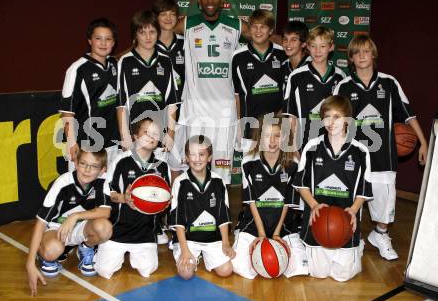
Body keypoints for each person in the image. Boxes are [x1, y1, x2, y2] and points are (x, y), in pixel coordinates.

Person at [333, 35, 428, 260]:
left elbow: (408, 115)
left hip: (383, 156)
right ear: (351, 59)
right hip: (353, 156)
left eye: (366, 51)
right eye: (357, 53)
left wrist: (423, 142)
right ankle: (352, 237)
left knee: (385, 202)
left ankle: (380, 234)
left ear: (373, 55)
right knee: (352, 200)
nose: (362, 56)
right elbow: (335, 121)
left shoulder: (389, 82)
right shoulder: (343, 86)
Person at [172, 0, 251, 184]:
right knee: (195, 164)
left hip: (224, 110)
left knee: (222, 168)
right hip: (196, 110)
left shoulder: (235, 25)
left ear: (222, 0)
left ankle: (220, 211)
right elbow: (158, 34)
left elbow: (263, 37)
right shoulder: (187, 24)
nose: (210, 0)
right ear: (199, 0)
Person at [293, 95, 373, 282]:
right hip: (318, 218)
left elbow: (364, 189)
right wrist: (313, 205)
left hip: (347, 220)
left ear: (347, 119)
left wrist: (353, 210)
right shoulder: (312, 147)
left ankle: (357, 246)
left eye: (337, 116)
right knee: (318, 274)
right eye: (327, 117)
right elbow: (301, 184)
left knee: (341, 276)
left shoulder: (361, 150)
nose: (331, 122)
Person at [26, 149, 112, 296]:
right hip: (56, 228)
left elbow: (106, 212)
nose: (87, 170)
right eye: (83, 163)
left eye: (94, 166)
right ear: (76, 163)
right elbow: (40, 222)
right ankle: (46, 255)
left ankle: (86, 248)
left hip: (80, 226)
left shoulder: (102, 182)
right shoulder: (63, 183)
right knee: (52, 250)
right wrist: (29, 263)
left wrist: (75, 216)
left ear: (103, 170)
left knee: (105, 227)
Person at [231, 115, 308, 279]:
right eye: (267, 136)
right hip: (254, 223)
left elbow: (288, 203)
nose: (272, 141)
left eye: (277, 135)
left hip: (283, 224)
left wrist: (276, 235)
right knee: (240, 267)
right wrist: (260, 234)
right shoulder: (248, 162)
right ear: (259, 138)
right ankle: (241, 235)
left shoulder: (293, 163)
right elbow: (251, 203)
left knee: (300, 268)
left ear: (285, 137)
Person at [94, 117, 171, 279]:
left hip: (145, 233)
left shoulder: (162, 165)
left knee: (148, 270)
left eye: (156, 133)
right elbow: (107, 195)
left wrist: (165, 204)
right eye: (146, 132)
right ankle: (98, 248)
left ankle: (145, 246)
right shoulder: (121, 161)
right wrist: (124, 198)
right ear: (135, 136)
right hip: (118, 230)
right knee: (104, 271)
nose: (152, 137)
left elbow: (166, 199)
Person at [170, 135, 235, 280]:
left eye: (201, 154)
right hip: (188, 239)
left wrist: (225, 243)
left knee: (226, 270)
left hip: (212, 238)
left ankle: (206, 257)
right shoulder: (180, 183)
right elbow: (178, 220)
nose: (197, 159)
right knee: (186, 273)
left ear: (209, 157)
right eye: (192, 155)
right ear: (186, 158)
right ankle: (191, 255)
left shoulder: (218, 181)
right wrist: (185, 250)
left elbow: (223, 216)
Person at [60, 18, 120, 170]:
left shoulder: (115, 65)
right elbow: (67, 113)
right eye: (98, 38)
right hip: (86, 145)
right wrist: (72, 143)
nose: (103, 43)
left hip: (112, 145)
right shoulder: (77, 69)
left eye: (108, 39)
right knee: (82, 191)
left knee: (108, 190)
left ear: (113, 43)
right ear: (89, 41)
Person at [116, 9, 179, 152]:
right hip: (135, 136)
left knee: (158, 174)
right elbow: (121, 105)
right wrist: (125, 135)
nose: (148, 37)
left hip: (159, 136)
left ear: (158, 32)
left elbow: (171, 102)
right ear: (135, 34)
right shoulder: (126, 62)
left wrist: (171, 133)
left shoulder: (166, 61)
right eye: (142, 32)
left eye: (152, 31)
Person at [283, 26, 346, 152]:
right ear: (307, 47)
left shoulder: (340, 77)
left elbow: (344, 116)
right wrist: (294, 150)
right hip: (304, 145)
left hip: (333, 145)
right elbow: (290, 116)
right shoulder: (296, 76)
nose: (318, 51)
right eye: (313, 46)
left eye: (322, 46)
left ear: (331, 47)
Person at [232, 9, 287, 151]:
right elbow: (236, 96)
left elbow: (288, 93)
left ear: (271, 30)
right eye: (254, 26)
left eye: (263, 26)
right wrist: (238, 125)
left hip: (277, 129)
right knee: (250, 170)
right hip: (249, 127)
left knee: (274, 171)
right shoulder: (238, 57)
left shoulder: (282, 54)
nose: (258, 31)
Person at [152, 0, 185, 98]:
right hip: (158, 105)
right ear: (155, 17)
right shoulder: (148, 45)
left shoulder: (185, 43)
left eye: (172, 14)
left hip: (183, 105)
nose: (169, 18)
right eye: (163, 14)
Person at [281, 20, 310, 88]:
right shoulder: (283, 66)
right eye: (285, 39)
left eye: (294, 40)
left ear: (303, 44)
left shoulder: (312, 66)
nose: (288, 44)